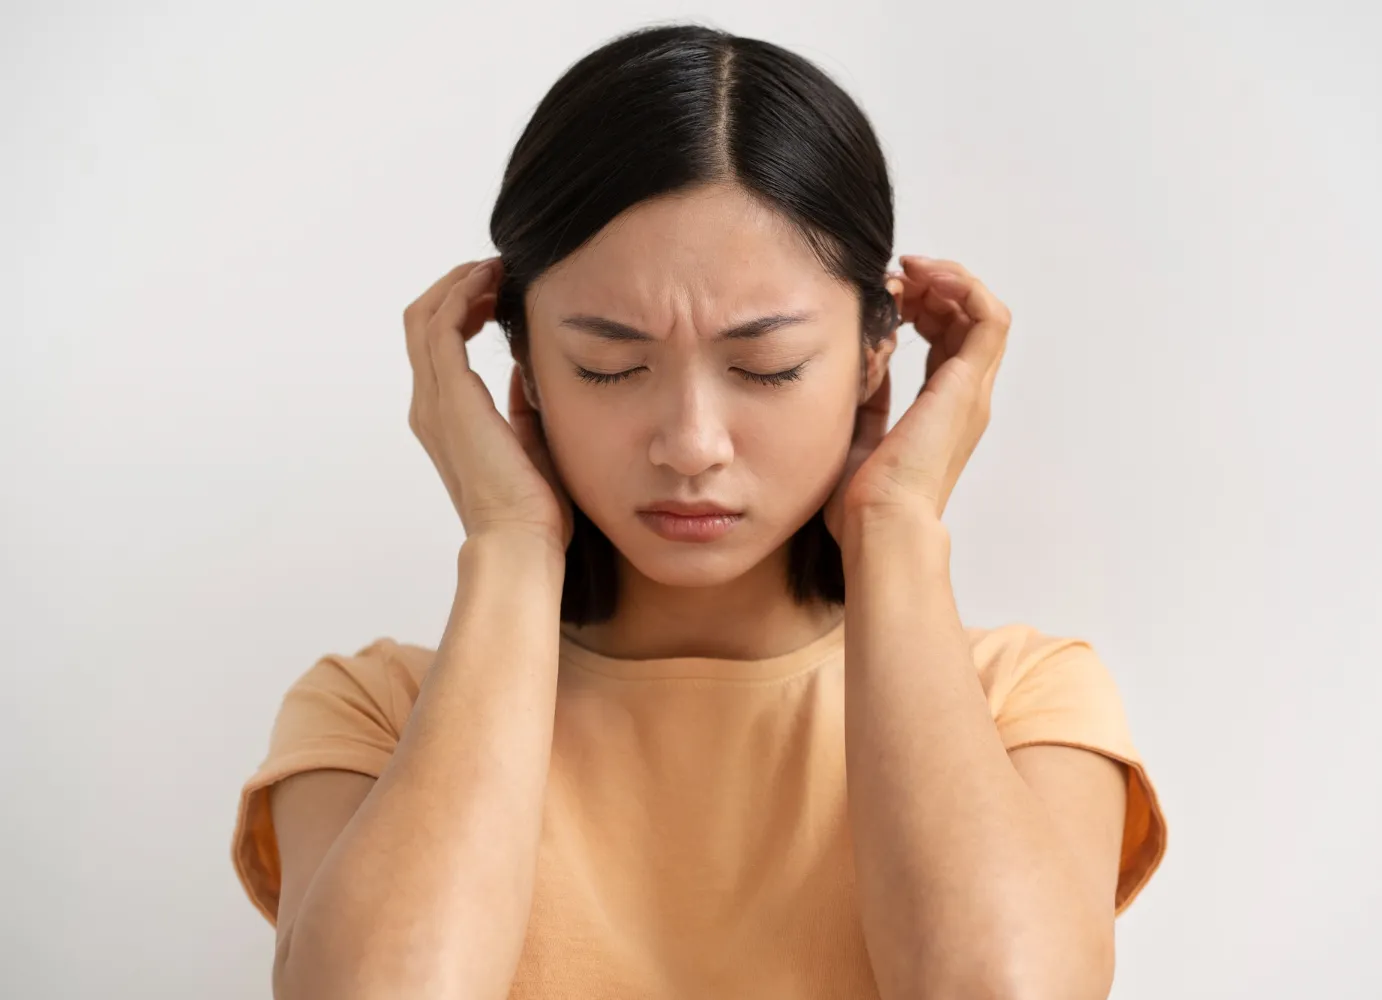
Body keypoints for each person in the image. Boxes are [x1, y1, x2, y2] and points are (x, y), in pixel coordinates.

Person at [230, 21, 1168, 1000]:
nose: (690, 442)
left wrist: (892, 526)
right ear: (528, 371)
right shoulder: (378, 716)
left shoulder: (1019, 704)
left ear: (873, 361)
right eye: (610, 365)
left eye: (766, 367)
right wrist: (510, 546)